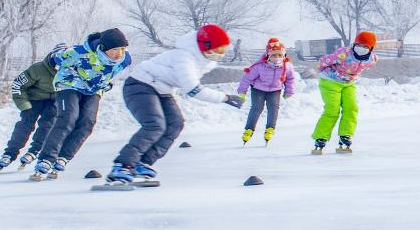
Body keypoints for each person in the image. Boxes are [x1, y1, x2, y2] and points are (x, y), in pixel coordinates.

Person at [104, 24, 244, 185]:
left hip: (162, 89)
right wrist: (226, 98)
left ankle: (142, 162)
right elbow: (193, 89)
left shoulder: (201, 60)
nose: (220, 55)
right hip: (139, 85)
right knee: (154, 124)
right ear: (204, 46)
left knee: (175, 124)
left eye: (222, 50)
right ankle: (122, 165)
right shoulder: (184, 57)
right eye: (217, 50)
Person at [31, 29, 131, 181]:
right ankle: (46, 158)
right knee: (68, 118)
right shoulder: (80, 52)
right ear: (103, 48)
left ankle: (63, 157)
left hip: (93, 90)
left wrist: (107, 84)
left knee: (87, 122)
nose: (119, 54)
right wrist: (58, 53)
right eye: (115, 50)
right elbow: (55, 58)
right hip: (69, 84)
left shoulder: (125, 60)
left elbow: (111, 74)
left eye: (123, 49)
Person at [0, 45, 66, 171]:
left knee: (48, 126)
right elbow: (18, 85)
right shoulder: (37, 69)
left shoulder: (69, 70)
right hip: (34, 100)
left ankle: (35, 150)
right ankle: (10, 153)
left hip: (54, 102)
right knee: (25, 125)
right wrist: (24, 105)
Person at [312, 31, 377, 154]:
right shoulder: (344, 54)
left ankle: (345, 135)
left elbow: (371, 62)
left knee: (351, 108)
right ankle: (321, 137)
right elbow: (324, 61)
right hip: (330, 81)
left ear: (371, 48)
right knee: (332, 109)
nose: (361, 49)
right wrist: (322, 70)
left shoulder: (371, 59)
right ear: (354, 44)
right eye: (359, 45)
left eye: (365, 47)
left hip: (348, 84)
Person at [237, 37, 296, 145]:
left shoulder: (286, 66)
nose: (277, 57)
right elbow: (247, 78)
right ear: (268, 55)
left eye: (280, 55)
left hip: (275, 90)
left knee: (273, 109)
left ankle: (270, 129)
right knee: (256, 109)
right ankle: (248, 130)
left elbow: (290, 79)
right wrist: (242, 92)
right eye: (274, 55)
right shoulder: (259, 66)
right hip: (258, 90)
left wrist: (289, 91)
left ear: (284, 56)